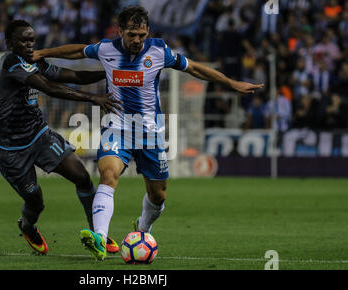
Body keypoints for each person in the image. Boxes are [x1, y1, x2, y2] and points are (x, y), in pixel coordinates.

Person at [33, 6, 264, 260]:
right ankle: (99, 237)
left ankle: (142, 230)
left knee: (158, 195)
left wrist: (231, 84)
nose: (137, 40)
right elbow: (78, 50)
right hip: (117, 126)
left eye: (142, 35)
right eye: (132, 34)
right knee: (108, 175)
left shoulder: (159, 50)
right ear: (120, 30)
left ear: (148, 32)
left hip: (150, 133)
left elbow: (195, 68)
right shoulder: (106, 49)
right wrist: (42, 53)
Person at [0, 20, 122, 255]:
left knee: (82, 177)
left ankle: (98, 234)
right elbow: (49, 87)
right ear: (10, 43)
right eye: (23, 40)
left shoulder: (36, 61)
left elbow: (72, 76)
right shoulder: (10, 62)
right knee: (35, 201)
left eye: (32, 40)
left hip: (38, 134)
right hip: (9, 148)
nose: (29, 45)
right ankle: (27, 226)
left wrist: (111, 73)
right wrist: (94, 99)